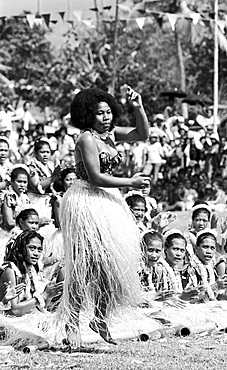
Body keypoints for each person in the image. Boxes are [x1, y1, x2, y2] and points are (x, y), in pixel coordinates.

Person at [59, 86, 150, 346]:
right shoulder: (86, 139)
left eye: (109, 112)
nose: (106, 117)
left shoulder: (110, 136)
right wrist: (130, 183)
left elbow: (141, 134)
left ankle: (99, 317)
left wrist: (138, 107)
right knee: (83, 265)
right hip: (86, 200)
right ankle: (71, 322)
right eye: (100, 114)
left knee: (110, 264)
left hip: (107, 202)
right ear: (89, 115)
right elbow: (96, 177)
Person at [0, 230, 63, 316]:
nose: (36, 253)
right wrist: (44, 296)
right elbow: (15, 310)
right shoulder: (10, 271)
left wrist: (50, 295)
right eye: (32, 248)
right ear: (21, 248)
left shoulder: (31, 269)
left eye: (39, 249)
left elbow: (33, 304)